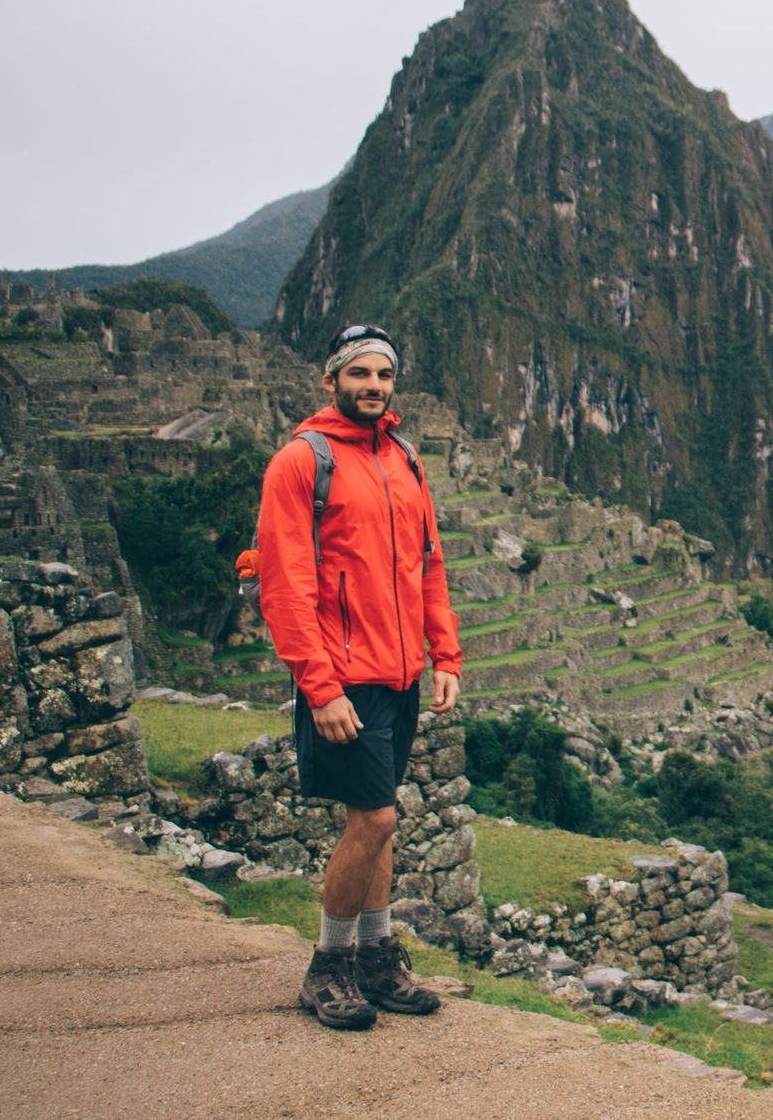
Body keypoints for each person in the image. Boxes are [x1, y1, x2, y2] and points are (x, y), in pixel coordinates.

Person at [255, 322, 464, 1029]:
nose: (373, 386)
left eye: (384, 376)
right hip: (345, 677)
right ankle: (328, 964)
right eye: (360, 374)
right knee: (375, 817)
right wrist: (320, 686)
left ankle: (376, 957)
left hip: (402, 672)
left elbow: (428, 563)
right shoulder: (300, 462)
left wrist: (446, 655)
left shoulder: (402, 457)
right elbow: (283, 584)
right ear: (331, 379)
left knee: (377, 823)